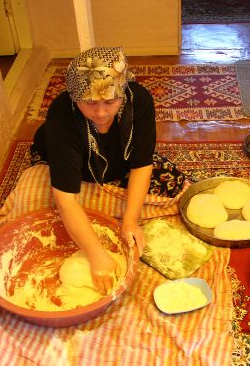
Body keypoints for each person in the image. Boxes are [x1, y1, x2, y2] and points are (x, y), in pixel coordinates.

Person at [30, 47, 186, 295]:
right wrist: (97, 255)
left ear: (123, 93)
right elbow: (66, 199)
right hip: (74, 163)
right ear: (74, 96)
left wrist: (130, 221)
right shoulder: (62, 114)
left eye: (110, 101)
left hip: (118, 160)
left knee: (173, 183)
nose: (101, 112)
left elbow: (141, 164)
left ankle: (103, 199)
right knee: (34, 203)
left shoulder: (140, 101)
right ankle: (97, 198)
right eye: (90, 102)